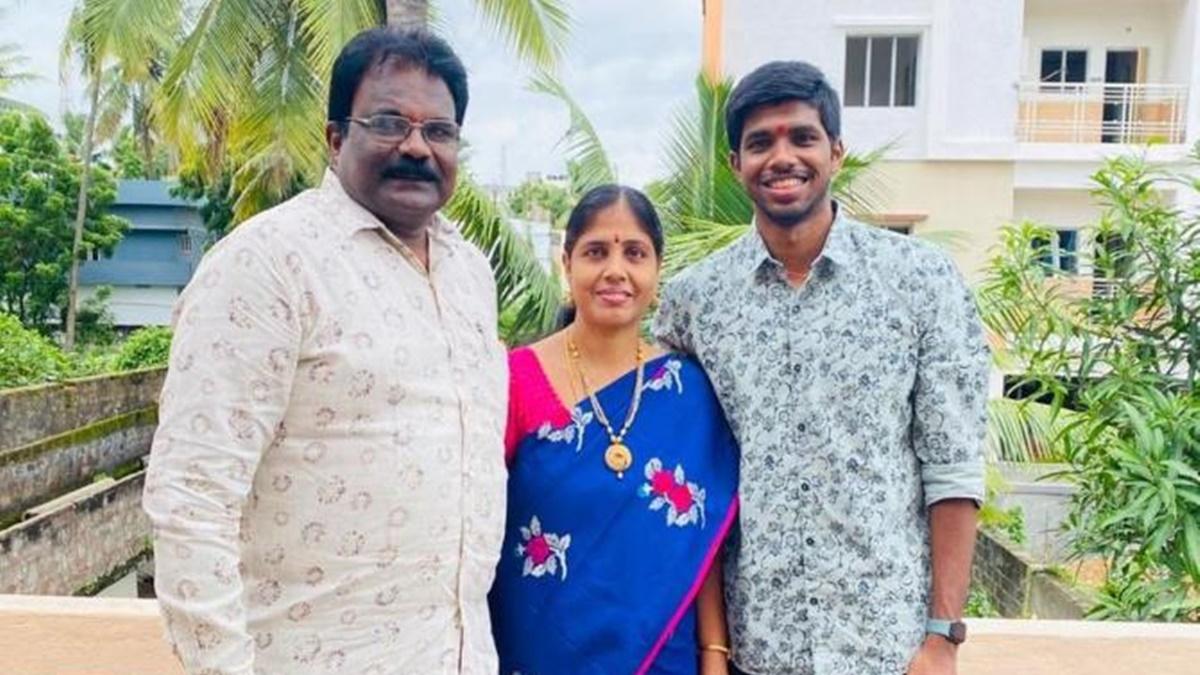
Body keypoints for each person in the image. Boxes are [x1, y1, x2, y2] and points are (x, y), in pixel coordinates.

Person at [142, 28, 508, 674]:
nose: (417, 147)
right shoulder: (269, 264)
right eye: (390, 122)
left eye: (440, 131)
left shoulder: (470, 274)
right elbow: (192, 498)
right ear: (336, 137)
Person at [653, 61, 990, 675]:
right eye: (760, 142)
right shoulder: (694, 302)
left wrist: (943, 636)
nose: (782, 156)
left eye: (802, 137)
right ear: (736, 164)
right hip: (758, 650)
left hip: (888, 651)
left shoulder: (921, 281)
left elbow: (954, 467)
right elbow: (685, 481)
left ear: (835, 152)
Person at [489, 185, 740, 675]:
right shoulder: (513, 379)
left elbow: (701, 545)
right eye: (596, 252)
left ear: (657, 269)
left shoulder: (688, 391)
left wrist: (714, 655)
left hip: (663, 657)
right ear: (567, 263)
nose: (615, 270)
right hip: (536, 652)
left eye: (635, 253)